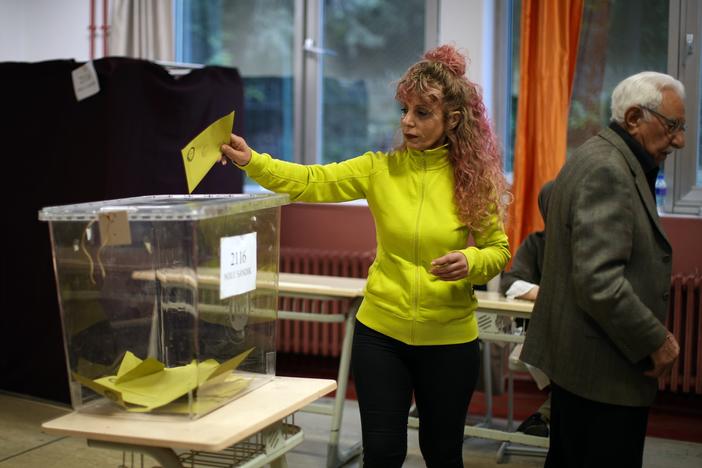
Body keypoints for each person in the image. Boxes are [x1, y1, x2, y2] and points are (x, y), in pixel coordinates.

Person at [221, 45, 511, 468]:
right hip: (381, 335)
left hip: (449, 341)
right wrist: (254, 162)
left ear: (452, 119)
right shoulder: (380, 169)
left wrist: (471, 262)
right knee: (383, 454)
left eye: (422, 113)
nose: (407, 122)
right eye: (404, 109)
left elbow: (498, 251)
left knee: (443, 454)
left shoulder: (472, 182)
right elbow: (309, 181)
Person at [520, 71, 683, 467]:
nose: (679, 140)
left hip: (584, 369)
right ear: (633, 119)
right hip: (602, 375)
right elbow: (599, 281)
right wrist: (655, 340)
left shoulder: (597, 155)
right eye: (672, 126)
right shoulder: (609, 170)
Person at [499, 180, 554, 437]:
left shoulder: (588, 245)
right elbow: (510, 282)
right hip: (542, 331)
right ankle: (546, 415)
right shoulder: (536, 243)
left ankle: (545, 415)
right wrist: (550, 295)